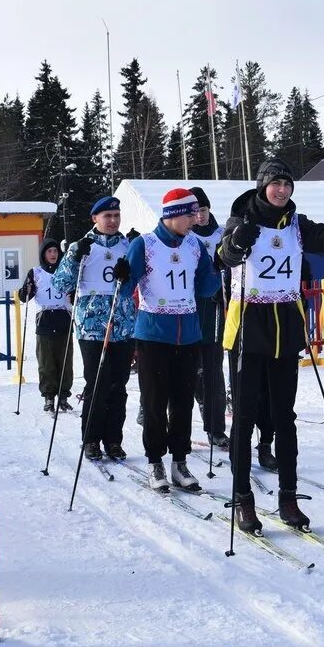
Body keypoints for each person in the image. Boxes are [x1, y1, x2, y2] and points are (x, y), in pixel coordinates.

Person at [218, 159, 324, 532]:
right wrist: (236, 243)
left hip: (285, 332)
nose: (282, 190)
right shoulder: (241, 219)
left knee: (284, 418)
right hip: (247, 330)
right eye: (275, 184)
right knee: (243, 419)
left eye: (287, 184)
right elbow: (222, 257)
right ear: (262, 187)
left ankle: (287, 497)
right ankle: (243, 499)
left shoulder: (297, 225)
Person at [126, 189, 221, 491]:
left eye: (196, 213)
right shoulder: (145, 244)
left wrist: (217, 267)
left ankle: (179, 462)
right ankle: (155, 462)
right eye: (190, 214)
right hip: (154, 333)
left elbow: (206, 288)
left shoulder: (195, 245)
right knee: (155, 401)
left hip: (189, 333)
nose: (195, 219)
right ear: (172, 215)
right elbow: (128, 284)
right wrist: (122, 274)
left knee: (182, 402)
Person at [52, 196, 137, 461]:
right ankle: (91, 439)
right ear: (95, 219)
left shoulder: (128, 245)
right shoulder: (83, 246)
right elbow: (60, 284)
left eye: (116, 215)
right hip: (92, 326)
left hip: (122, 324)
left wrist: (129, 271)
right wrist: (74, 257)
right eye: (107, 216)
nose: (112, 221)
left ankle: (114, 439)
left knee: (119, 385)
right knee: (97, 384)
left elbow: (138, 281)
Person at [189, 187, 230, 450]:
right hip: (189, 308)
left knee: (214, 369)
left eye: (203, 211)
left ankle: (216, 428)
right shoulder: (184, 236)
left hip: (216, 306)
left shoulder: (222, 233)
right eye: (195, 212)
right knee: (191, 369)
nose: (200, 217)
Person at [18, 238, 75, 415]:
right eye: (49, 251)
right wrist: (26, 290)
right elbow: (23, 297)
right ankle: (49, 397)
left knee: (65, 362)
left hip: (63, 318)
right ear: (44, 254)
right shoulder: (35, 273)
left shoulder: (66, 272)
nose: (53, 255)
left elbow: (74, 294)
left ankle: (63, 397)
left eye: (56, 251)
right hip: (45, 320)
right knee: (46, 362)